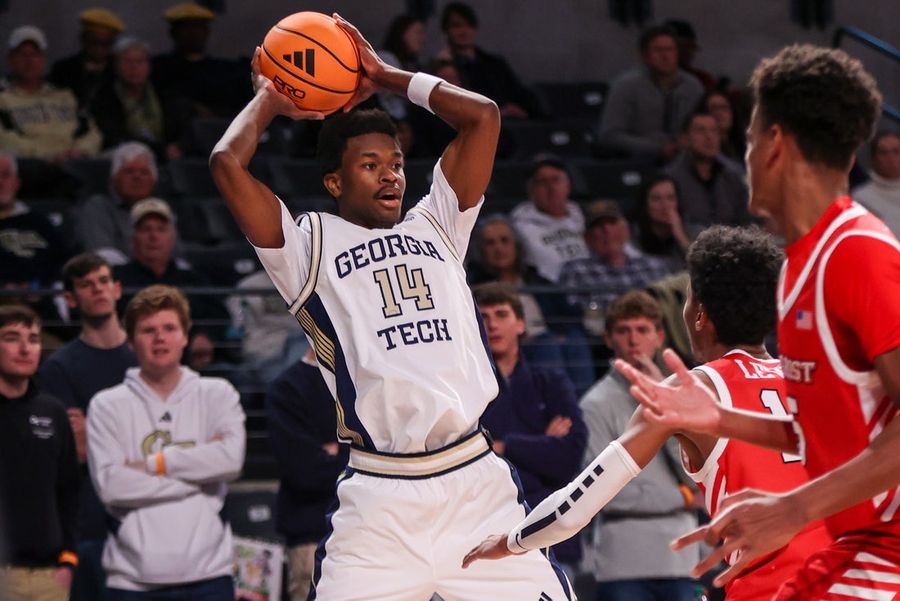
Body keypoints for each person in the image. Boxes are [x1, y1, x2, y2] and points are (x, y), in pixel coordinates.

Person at [210, 13, 573, 600]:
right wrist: (269, 100)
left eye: (397, 163)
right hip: (379, 499)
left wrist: (386, 77)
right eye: (370, 165)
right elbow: (227, 164)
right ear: (334, 181)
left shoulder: (438, 224)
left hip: (475, 485)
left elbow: (483, 116)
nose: (391, 176)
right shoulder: (307, 245)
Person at [613, 45, 900, 598]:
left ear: (774, 145)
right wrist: (721, 419)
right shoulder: (795, 272)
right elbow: (825, 434)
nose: (740, 157)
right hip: (856, 548)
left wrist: (793, 507)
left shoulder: (860, 255)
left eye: (746, 140)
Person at [463, 226, 832, 601]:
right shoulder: (812, 381)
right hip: (858, 576)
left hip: (772, 587)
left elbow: (579, 504)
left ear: (700, 314)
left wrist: (511, 541)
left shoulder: (688, 390)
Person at [87, 284, 245, 599]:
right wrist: (198, 477)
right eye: (148, 330)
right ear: (131, 341)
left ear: (185, 336)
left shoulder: (218, 394)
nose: (160, 338)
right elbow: (111, 486)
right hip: (131, 584)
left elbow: (230, 461)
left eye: (170, 328)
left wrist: (152, 464)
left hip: (210, 577)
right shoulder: (107, 405)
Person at [38, 253, 138, 601]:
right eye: (85, 284)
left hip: (148, 523)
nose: (97, 289)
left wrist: (92, 428)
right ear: (69, 299)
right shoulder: (58, 368)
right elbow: (74, 451)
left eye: (103, 281)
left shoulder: (148, 355)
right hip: (89, 520)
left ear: (117, 288)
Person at [474, 283, 588, 568]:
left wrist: (504, 445)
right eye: (484, 317)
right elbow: (471, 463)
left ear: (521, 324)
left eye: (501, 314)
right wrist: (541, 444)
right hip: (486, 528)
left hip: (552, 531)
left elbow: (569, 456)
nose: (493, 324)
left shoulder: (551, 382)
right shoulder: (465, 386)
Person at [0, 304, 79, 601]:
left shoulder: (53, 412)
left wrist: (68, 560)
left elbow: (69, 491)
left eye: (33, 339)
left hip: (50, 578)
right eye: (11, 338)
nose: (25, 348)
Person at [468, 215, 595, 395]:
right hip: (515, 344)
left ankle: (584, 408)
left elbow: (566, 312)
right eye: (490, 243)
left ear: (516, 245)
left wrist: (562, 333)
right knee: (547, 343)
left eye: (505, 241)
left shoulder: (533, 278)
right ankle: (559, 406)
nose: (499, 248)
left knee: (575, 340)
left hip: (548, 338)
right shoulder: (474, 284)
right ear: (481, 250)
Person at [266, 347, 349, 601]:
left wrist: (337, 452)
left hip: (373, 534)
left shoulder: (364, 378)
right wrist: (355, 453)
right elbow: (306, 472)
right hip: (312, 538)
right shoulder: (287, 388)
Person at [114, 197, 230, 368]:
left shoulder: (192, 280)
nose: (153, 236)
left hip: (190, 365)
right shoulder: (115, 280)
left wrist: (206, 336)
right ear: (133, 238)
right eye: (146, 229)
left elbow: (219, 315)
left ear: (172, 238)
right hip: (129, 364)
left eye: (161, 229)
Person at [0, 25, 103, 197]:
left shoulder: (64, 95)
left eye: (35, 54)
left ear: (44, 59)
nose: (29, 60)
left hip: (74, 161)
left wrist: (80, 151)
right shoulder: (3, 97)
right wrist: (51, 156)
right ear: (11, 59)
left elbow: (90, 131)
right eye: (23, 54)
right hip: (33, 167)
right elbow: (5, 140)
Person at [598, 24, 704, 162]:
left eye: (670, 50)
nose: (665, 56)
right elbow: (610, 136)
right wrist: (657, 148)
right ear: (644, 56)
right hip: (638, 161)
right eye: (658, 50)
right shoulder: (625, 86)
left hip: (686, 160)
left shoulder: (693, 86)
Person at [558, 200, 671, 327]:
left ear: (626, 231)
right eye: (598, 225)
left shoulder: (654, 266)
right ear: (587, 238)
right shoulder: (575, 270)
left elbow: (671, 308)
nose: (606, 230)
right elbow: (577, 317)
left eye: (612, 223)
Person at [437, 2, 544, 119]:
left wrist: (522, 110)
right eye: (457, 26)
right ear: (446, 30)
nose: (464, 31)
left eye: (469, 25)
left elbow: (520, 92)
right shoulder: (444, 67)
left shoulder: (495, 64)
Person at [91, 36, 190, 161]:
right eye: (127, 61)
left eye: (140, 62)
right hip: (124, 157)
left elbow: (181, 128)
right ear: (116, 66)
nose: (134, 67)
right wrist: (160, 150)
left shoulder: (165, 95)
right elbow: (114, 136)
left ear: (149, 66)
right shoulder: (104, 97)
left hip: (167, 157)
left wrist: (177, 146)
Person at [0, 151, 67, 318]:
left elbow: (62, 263)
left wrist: (38, 287)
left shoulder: (40, 223)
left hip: (43, 308)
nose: (0, 182)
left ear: (16, 183)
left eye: (5, 176)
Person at [152, 2, 249, 118]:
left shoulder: (223, 70)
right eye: (186, 28)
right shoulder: (161, 68)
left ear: (207, 32)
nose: (192, 34)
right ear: (174, 33)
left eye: (198, 28)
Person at [509, 155, 590, 283]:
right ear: (531, 190)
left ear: (568, 186)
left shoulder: (583, 217)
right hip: (551, 291)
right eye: (542, 182)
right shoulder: (519, 225)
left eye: (555, 180)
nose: (551, 188)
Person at [665, 109, 751, 227]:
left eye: (714, 131)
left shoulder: (734, 174)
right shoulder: (670, 179)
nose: (709, 137)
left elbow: (747, 220)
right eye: (701, 131)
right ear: (685, 139)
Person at [77, 141, 159, 265]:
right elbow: (103, 256)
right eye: (129, 171)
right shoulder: (98, 207)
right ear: (114, 178)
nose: (137, 177)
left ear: (153, 182)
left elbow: (177, 258)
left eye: (144, 172)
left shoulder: (160, 210)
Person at [49, 8, 126, 109]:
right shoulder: (63, 70)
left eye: (105, 43)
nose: (99, 48)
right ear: (83, 40)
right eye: (94, 42)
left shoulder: (121, 71)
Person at [631, 173, 701, 271]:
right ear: (645, 205)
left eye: (670, 198)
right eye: (656, 199)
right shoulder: (633, 237)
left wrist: (680, 236)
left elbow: (702, 268)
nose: (665, 205)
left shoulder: (696, 233)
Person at [853, 130, 900, 235]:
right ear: (874, 158)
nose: (890, 158)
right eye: (883, 152)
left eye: (896, 151)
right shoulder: (861, 197)